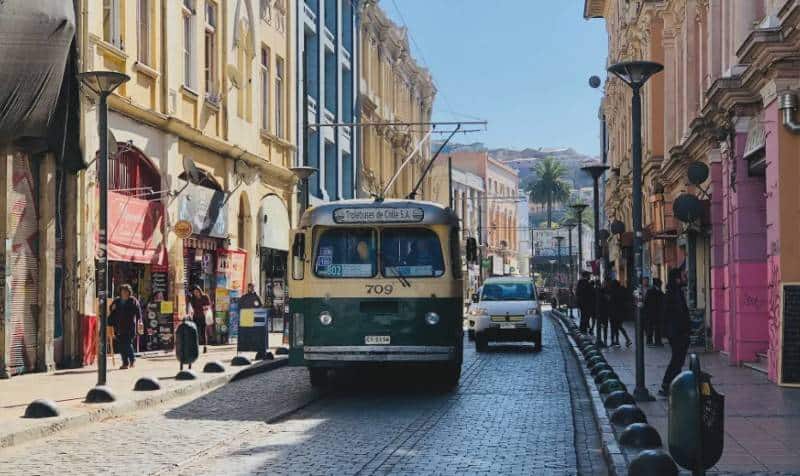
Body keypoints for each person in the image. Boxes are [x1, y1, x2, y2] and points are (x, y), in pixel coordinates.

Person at [660, 268, 691, 396]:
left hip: (678, 332)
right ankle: (667, 384)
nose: (686, 279)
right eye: (683, 276)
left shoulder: (676, 292)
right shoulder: (674, 294)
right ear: (677, 279)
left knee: (678, 359)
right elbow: (677, 314)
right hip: (677, 332)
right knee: (677, 359)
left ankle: (672, 384)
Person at [109, 284, 142, 369]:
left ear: (129, 292)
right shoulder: (117, 301)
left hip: (130, 326)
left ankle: (132, 360)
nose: (124, 293)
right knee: (121, 346)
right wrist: (112, 308)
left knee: (127, 344)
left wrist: (140, 322)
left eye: (126, 291)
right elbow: (111, 309)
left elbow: (138, 313)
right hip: (119, 326)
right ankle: (125, 363)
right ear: (120, 292)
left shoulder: (133, 300)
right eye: (123, 291)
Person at [188, 285, 213, 353]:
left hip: (203, 317)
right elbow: (191, 307)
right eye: (194, 292)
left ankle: (205, 347)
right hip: (195, 317)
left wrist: (205, 308)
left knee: (203, 332)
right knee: (195, 332)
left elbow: (208, 305)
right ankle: (196, 347)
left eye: (197, 292)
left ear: (200, 291)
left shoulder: (205, 297)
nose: (196, 293)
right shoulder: (193, 298)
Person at [609, 279, 632, 348]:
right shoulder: (623, 290)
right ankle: (623, 340)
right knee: (619, 326)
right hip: (621, 312)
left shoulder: (613, 291)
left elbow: (611, 301)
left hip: (614, 312)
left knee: (615, 327)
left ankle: (616, 341)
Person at [643, 277, 664, 346]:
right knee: (655, 327)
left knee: (651, 327)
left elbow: (645, 302)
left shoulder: (650, 291)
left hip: (651, 312)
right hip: (655, 312)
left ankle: (650, 341)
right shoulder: (659, 292)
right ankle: (656, 341)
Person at [595, 280, 610, 347]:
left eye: (605, 283)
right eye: (604, 283)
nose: (604, 285)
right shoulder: (600, 291)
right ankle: (601, 340)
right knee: (601, 327)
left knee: (604, 327)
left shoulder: (606, 291)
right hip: (601, 311)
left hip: (604, 311)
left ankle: (605, 340)